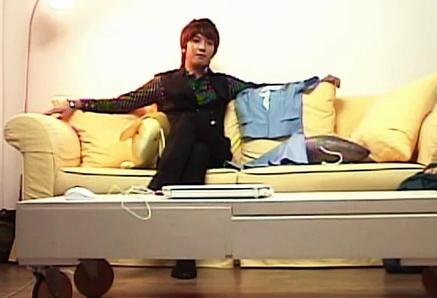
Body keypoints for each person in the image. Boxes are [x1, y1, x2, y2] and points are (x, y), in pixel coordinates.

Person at [45, 18, 341, 279]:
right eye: (197, 41)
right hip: (184, 153)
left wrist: (314, 82)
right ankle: (185, 258)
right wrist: (75, 103)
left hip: (217, 150)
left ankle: (152, 191)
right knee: (194, 150)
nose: (203, 47)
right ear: (184, 46)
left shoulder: (223, 83)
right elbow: (124, 102)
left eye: (209, 43)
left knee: (190, 123)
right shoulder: (164, 83)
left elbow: (264, 89)